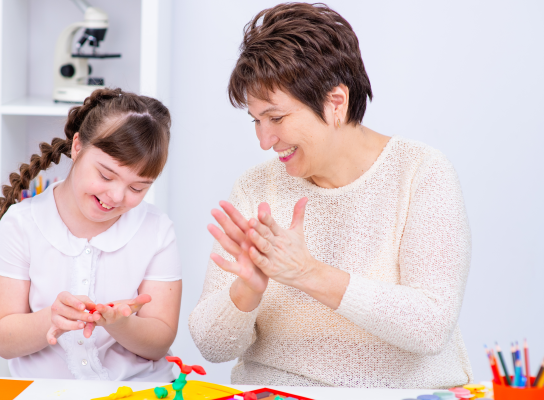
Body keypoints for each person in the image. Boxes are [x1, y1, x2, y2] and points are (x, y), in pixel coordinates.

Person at [189, 3, 473, 388]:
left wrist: (308, 274)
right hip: (279, 392)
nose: (264, 140)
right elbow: (212, 346)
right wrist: (246, 291)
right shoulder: (257, 187)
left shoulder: (420, 172)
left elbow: (430, 326)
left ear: (335, 102)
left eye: (276, 118)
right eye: (256, 121)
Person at [0, 88, 182, 381]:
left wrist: (119, 324)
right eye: (105, 175)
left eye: (137, 188)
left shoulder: (156, 230)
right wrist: (51, 319)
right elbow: (2, 339)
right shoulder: (22, 224)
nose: (116, 196)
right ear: (77, 146)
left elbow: (160, 342)